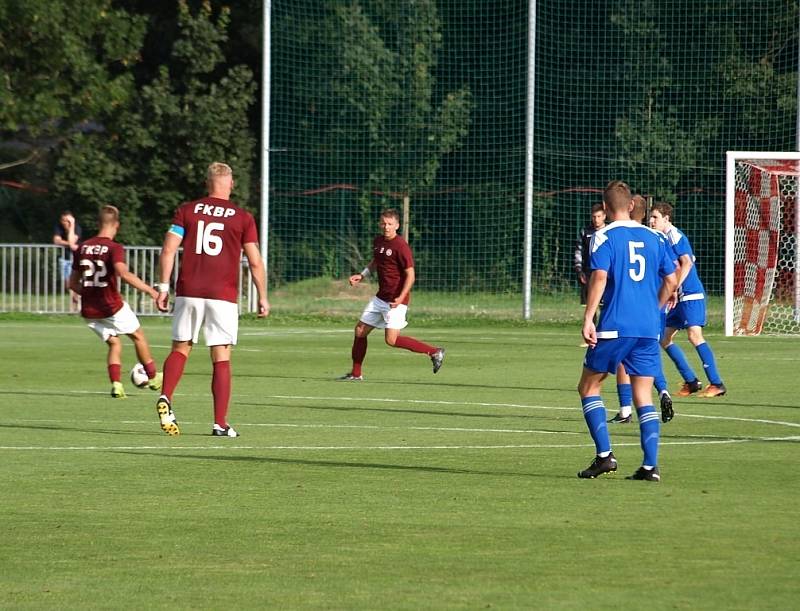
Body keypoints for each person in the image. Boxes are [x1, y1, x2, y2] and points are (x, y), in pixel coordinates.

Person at [155, 162, 269, 437]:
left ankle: (166, 396)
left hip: (189, 290)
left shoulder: (187, 210)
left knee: (181, 348)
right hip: (222, 295)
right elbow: (254, 262)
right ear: (230, 184)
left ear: (207, 184)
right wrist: (262, 296)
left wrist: (162, 287)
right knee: (221, 356)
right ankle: (220, 423)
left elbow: (168, 249)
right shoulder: (242, 217)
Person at [576, 180, 677, 482]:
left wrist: (588, 317)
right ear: (631, 206)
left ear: (605, 209)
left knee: (589, 387)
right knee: (643, 395)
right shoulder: (655, 238)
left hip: (616, 326)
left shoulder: (602, 236)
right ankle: (650, 466)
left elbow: (600, 277)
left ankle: (605, 456)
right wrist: (653, 308)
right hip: (648, 328)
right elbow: (672, 281)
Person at [67, 205, 163, 398]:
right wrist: (150, 290)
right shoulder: (114, 248)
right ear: (116, 225)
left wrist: (88, 294)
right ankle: (153, 377)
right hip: (111, 306)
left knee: (115, 344)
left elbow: (72, 283)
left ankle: (117, 385)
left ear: (98, 223)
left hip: (89, 311)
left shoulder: (82, 248)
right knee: (138, 336)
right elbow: (123, 273)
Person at [340, 207, 445, 381]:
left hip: (396, 300)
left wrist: (400, 297)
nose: (386, 227)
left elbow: (411, 275)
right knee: (360, 331)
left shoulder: (401, 246)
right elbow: (376, 260)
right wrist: (362, 275)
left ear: (396, 225)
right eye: (383, 223)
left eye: (390, 224)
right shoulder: (378, 241)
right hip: (381, 297)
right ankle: (356, 374)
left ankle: (434, 352)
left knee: (391, 340)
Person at [609, 194, 675, 424]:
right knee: (649, 357)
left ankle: (625, 409)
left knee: (620, 362)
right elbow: (671, 274)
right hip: (653, 308)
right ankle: (663, 390)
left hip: (627, 312)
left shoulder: (618, 236)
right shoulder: (657, 238)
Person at [649, 202, 726, 398]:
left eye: (655, 217)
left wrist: (674, 285)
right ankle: (691, 381)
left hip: (690, 293)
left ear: (666, 219)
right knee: (664, 338)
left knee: (694, 335)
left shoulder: (674, 235)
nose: (651, 221)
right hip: (678, 297)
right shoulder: (661, 238)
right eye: (651, 217)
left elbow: (687, 263)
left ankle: (717, 383)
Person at [573, 202, 607, 305]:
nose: (596, 219)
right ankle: (590, 321)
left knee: (604, 305)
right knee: (589, 306)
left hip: (605, 273)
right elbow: (578, 251)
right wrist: (579, 270)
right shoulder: (585, 232)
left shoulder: (609, 231)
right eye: (594, 217)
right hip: (588, 273)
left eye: (599, 216)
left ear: (604, 216)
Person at [53, 210, 83, 312]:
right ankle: (74, 303)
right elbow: (56, 241)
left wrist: (72, 227)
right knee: (68, 284)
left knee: (74, 282)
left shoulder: (77, 228)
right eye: (63, 220)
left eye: (67, 221)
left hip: (75, 259)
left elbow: (72, 241)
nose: (65, 223)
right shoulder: (58, 227)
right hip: (64, 258)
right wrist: (68, 244)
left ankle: (76, 305)